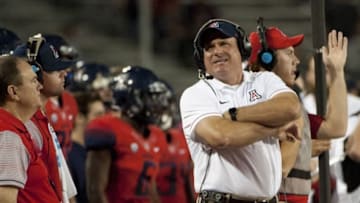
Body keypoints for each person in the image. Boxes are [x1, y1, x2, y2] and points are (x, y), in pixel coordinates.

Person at [180, 18, 301, 203]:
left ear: (242, 49)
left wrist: (234, 115)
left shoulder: (264, 80)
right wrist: (273, 129)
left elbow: (290, 108)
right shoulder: (196, 93)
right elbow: (221, 136)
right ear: (201, 57)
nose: (217, 51)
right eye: (209, 47)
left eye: (224, 44)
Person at [247, 18, 348, 203]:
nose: (297, 60)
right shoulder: (253, 102)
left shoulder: (288, 104)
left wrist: (337, 72)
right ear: (267, 59)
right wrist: (302, 147)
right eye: (289, 53)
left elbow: (336, 127)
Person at [85, 66, 168, 203]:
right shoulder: (107, 129)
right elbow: (95, 191)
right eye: (148, 97)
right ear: (129, 97)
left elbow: (149, 187)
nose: (154, 105)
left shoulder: (155, 135)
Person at [14, 33, 77, 203]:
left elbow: (64, 186)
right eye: (54, 68)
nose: (64, 73)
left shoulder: (41, 118)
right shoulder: (18, 125)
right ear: (34, 74)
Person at [0, 55, 59, 202]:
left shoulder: (13, 128)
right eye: (33, 81)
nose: (40, 86)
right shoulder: (9, 137)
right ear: (13, 92)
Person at [302, 57, 359, 203]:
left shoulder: (356, 106)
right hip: (309, 190)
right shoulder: (299, 106)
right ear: (308, 75)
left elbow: (355, 151)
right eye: (316, 71)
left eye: (327, 70)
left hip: (349, 191)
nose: (321, 75)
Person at [156, 79, 195, 203]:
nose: (163, 109)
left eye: (166, 104)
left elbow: (189, 184)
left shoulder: (181, 137)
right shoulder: (138, 139)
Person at [68, 92, 106, 203]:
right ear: (80, 117)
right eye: (98, 115)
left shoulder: (97, 151)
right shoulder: (68, 154)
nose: (104, 120)